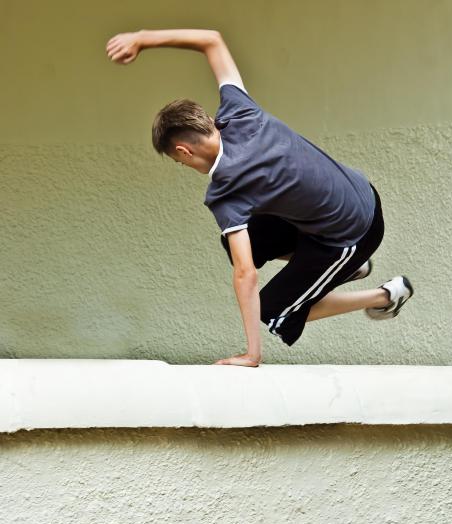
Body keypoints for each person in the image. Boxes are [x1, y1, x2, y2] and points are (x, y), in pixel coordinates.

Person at [106, 28, 414, 368]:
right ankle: (343, 269)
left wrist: (252, 354)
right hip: (358, 191)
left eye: (180, 163)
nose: (185, 166)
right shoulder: (240, 112)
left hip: (355, 232)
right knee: (240, 238)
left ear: (183, 151)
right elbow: (212, 40)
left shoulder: (226, 192)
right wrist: (141, 38)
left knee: (274, 310)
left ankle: (386, 295)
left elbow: (245, 274)